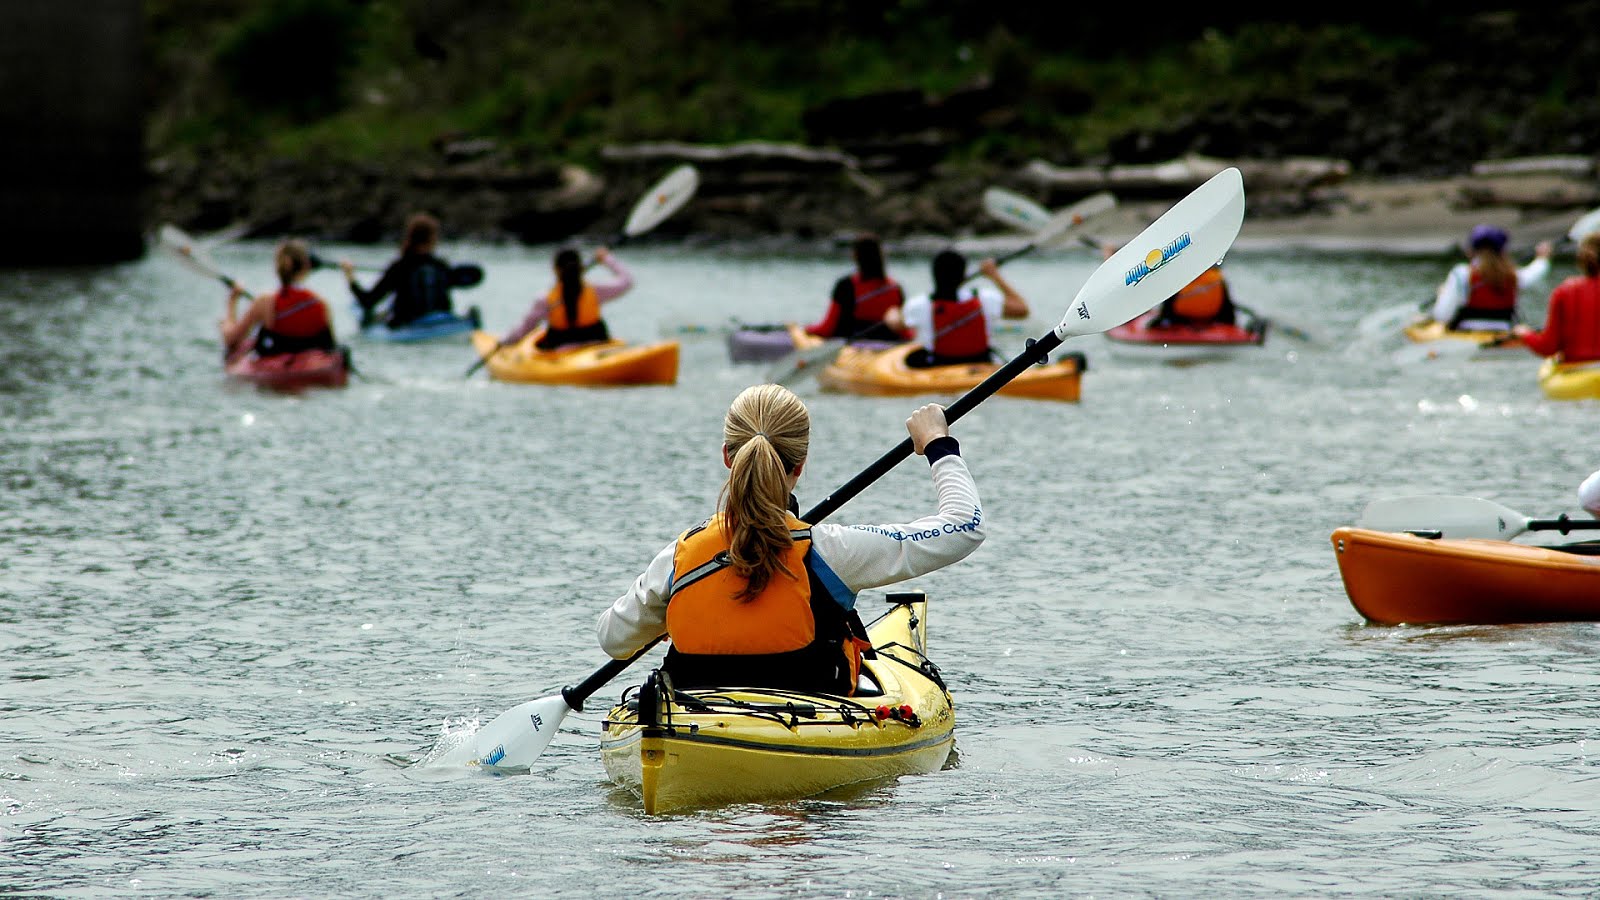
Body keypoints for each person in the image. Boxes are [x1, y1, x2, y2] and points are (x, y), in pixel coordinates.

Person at [596, 383, 985, 695]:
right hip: (806, 719)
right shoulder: (832, 552)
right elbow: (966, 526)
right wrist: (938, 444)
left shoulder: (679, 558)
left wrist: (673, 612)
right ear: (800, 465)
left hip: (696, 718)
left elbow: (613, 640)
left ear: (727, 457)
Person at [885, 249, 1030, 368]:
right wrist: (994, 275)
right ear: (963, 274)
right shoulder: (983, 298)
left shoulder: (919, 304)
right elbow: (1022, 309)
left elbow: (896, 325)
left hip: (938, 366)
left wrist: (891, 313)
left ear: (934, 274)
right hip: (982, 364)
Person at [219, 239, 336, 358]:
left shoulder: (265, 301)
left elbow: (231, 341)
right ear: (306, 267)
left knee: (225, 326)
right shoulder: (321, 303)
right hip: (313, 366)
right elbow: (331, 347)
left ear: (277, 267)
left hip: (276, 361)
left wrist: (232, 302)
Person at [500, 246, 633, 351]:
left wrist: (504, 342)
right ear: (580, 267)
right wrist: (607, 259)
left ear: (555, 270)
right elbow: (627, 281)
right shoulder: (596, 291)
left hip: (561, 350)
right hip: (598, 344)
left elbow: (525, 330)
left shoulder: (545, 299)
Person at [342, 212, 458, 329]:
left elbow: (368, 301)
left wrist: (349, 276)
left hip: (406, 326)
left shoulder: (399, 266)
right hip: (443, 322)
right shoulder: (442, 266)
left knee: (372, 316)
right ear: (433, 239)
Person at [1429, 224, 1552, 331]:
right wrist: (1542, 258)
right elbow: (1536, 271)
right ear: (1503, 251)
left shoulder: (1461, 274)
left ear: (1470, 250)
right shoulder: (1514, 275)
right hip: (1504, 333)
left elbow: (1442, 315)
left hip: (1466, 335)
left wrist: (1442, 294)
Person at [803, 233, 910, 342]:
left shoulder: (846, 286)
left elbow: (827, 329)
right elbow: (906, 332)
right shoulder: (895, 289)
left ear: (856, 256)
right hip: (889, 350)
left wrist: (804, 330)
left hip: (852, 349)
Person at [1513, 232, 1600, 365]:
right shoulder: (1565, 291)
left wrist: (1525, 333)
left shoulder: (1565, 291)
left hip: (1578, 371)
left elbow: (1548, 347)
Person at [1152, 264, 1236, 328]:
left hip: (1180, 320)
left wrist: (1161, 319)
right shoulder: (1217, 277)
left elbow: (1168, 305)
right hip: (1212, 318)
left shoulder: (1180, 278)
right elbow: (1227, 306)